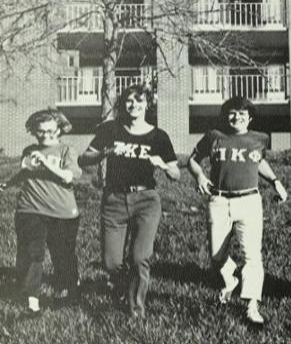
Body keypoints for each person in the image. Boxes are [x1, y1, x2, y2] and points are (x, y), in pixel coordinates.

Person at [78, 84, 180, 318]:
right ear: (123, 104)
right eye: (129, 101)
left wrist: (163, 165)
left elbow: (176, 174)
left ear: (147, 104)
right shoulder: (110, 129)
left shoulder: (158, 136)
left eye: (139, 100)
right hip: (114, 198)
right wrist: (105, 153)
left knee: (139, 257)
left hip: (146, 200)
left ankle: (136, 309)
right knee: (111, 262)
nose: (134, 105)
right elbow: (83, 159)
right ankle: (124, 284)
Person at [187, 96, 287, 325]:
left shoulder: (260, 139)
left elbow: (257, 161)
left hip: (249, 201)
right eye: (232, 113)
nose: (237, 118)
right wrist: (200, 175)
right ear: (225, 116)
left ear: (250, 118)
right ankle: (231, 280)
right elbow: (192, 160)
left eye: (242, 114)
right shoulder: (214, 136)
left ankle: (252, 305)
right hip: (219, 201)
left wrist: (275, 181)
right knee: (216, 256)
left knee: (252, 255)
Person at [0, 109, 81, 316]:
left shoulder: (67, 150)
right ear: (34, 131)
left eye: (50, 131)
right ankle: (32, 302)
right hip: (30, 209)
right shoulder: (29, 150)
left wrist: (45, 162)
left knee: (63, 256)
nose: (45, 136)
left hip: (62, 212)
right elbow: (25, 172)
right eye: (40, 132)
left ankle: (68, 289)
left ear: (59, 130)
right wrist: (8, 183)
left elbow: (68, 178)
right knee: (31, 254)